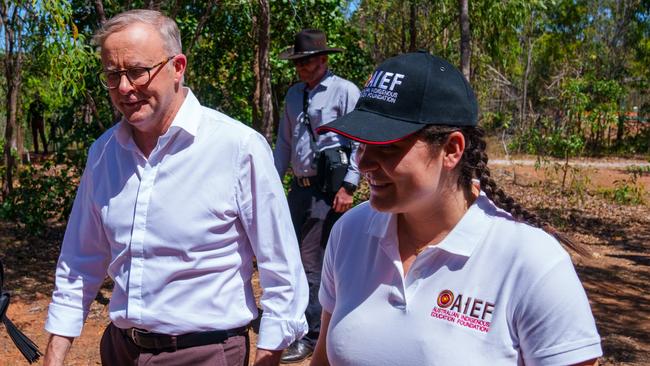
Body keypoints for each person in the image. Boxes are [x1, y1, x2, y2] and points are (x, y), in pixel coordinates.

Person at [43, 10, 308, 366]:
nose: (124, 88)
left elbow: (282, 272)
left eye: (137, 71)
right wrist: (55, 354)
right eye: (112, 75)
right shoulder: (104, 154)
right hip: (120, 351)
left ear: (177, 67)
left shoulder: (237, 148)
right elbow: (80, 262)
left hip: (205, 354)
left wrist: (269, 355)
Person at [311, 51, 602, 365]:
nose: (363, 162)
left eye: (387, 146)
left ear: (451, 149)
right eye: (362, 143)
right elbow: (326, 358)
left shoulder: (531, 260)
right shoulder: (350, 233)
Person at [273, 29, 360, 363]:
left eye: (306, 62)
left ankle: (311, 336)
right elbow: (284, 143)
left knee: (312, 263)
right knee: (290, 259)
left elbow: (360, 142)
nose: (300, 68)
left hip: (328, 192)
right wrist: (271, 184)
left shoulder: (345, 92)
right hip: (298, 189)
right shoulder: (294, 95)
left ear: (323, 60)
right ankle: (298, 323)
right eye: (297, 62)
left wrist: (349, 186)